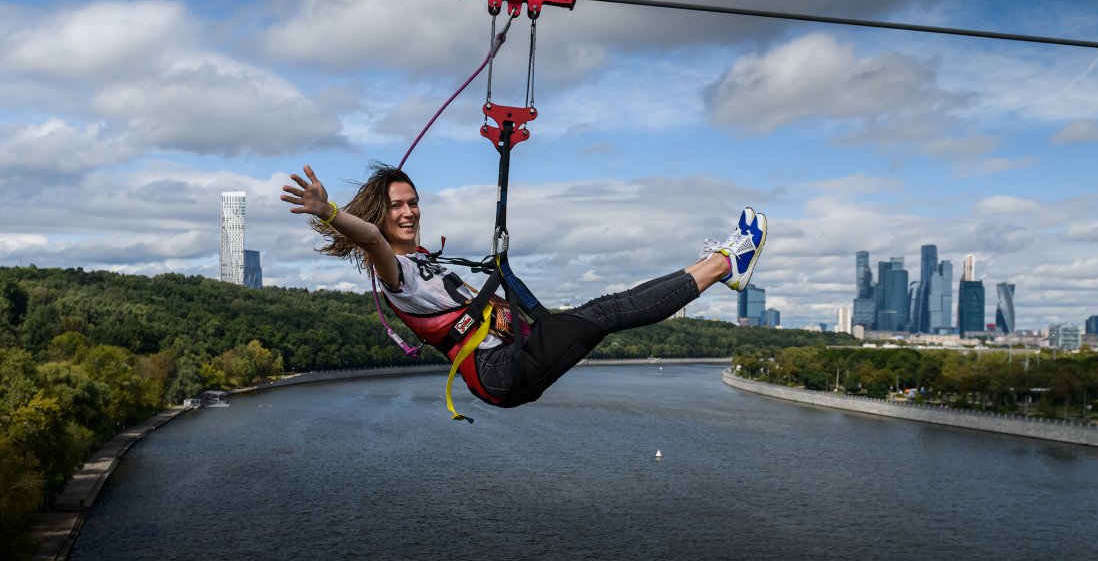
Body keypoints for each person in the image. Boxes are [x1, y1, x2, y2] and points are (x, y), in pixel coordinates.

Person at [281, 162, 766, 416]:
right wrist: (328, 211)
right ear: (378, 216)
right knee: (602, 312)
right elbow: (367, 238)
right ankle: (724, 262)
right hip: (500, 371)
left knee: (599, 314)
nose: (409, 212)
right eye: (397, 207)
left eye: (414, 203)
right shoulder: (395, 273)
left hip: (510, 358)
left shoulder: (424, 261)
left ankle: (721, 265)